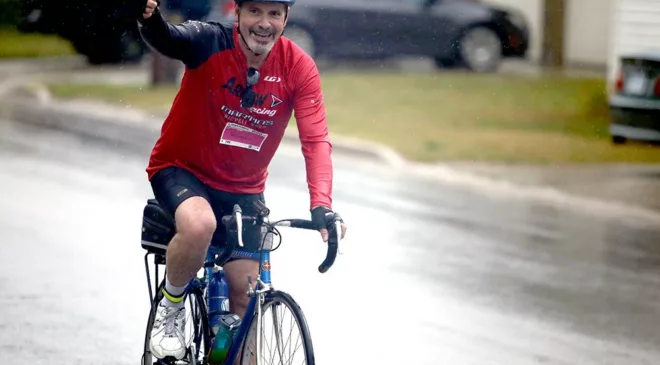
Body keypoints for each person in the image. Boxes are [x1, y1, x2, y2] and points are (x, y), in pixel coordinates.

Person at [137, 0, 347, 360]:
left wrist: (322, 205)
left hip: (243, 189)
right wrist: (150, 18)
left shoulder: (299, 67)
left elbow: (315, 141)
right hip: (181, 169)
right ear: (238, 13)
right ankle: (170, 308)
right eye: (255, 12)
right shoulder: (210, 41)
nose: (264, 24)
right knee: (200, 224)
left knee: (246, 300)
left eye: (274, 14)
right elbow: (169, 39)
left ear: (286, 18)